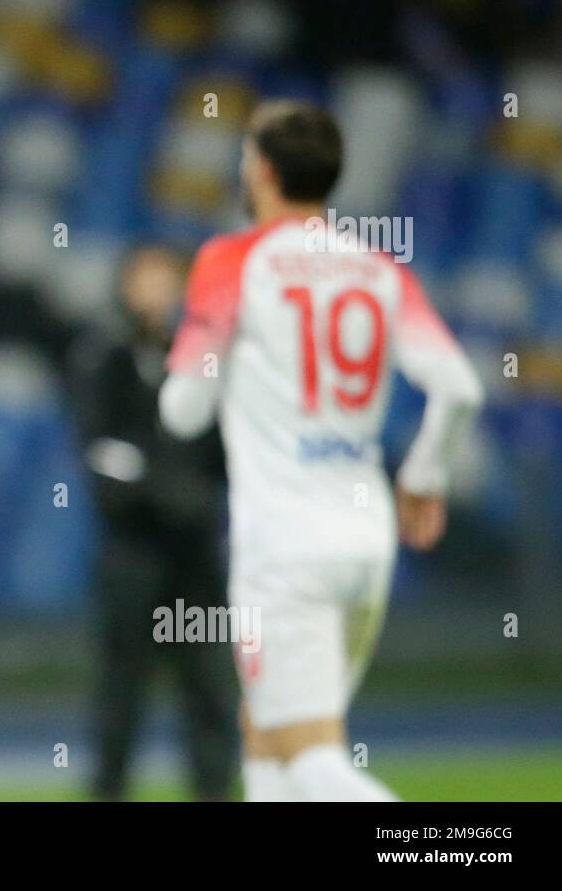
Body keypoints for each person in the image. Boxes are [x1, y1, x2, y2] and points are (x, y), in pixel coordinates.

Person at [158, 100, 484, 801]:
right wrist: (424, 475)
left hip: (284, 547)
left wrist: (207, 356)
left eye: (246, 155)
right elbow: (459, 387)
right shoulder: (377, 268)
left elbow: (183, 411)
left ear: (264, 170)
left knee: (314, 762)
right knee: (270, 737)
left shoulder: (231, 260)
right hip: (365, 539)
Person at [66, 245, 237, 801]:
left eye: (170, 281)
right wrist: (178, 490)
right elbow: (103, 461)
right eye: (149, 280)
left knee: (209, 689)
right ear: (126, 285)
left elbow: (223, 450)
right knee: (121, 695)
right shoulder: (102, 355)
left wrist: (166, 484)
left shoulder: (205, 360)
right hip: (133, 557)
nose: (159, 293)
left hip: (194, 561)